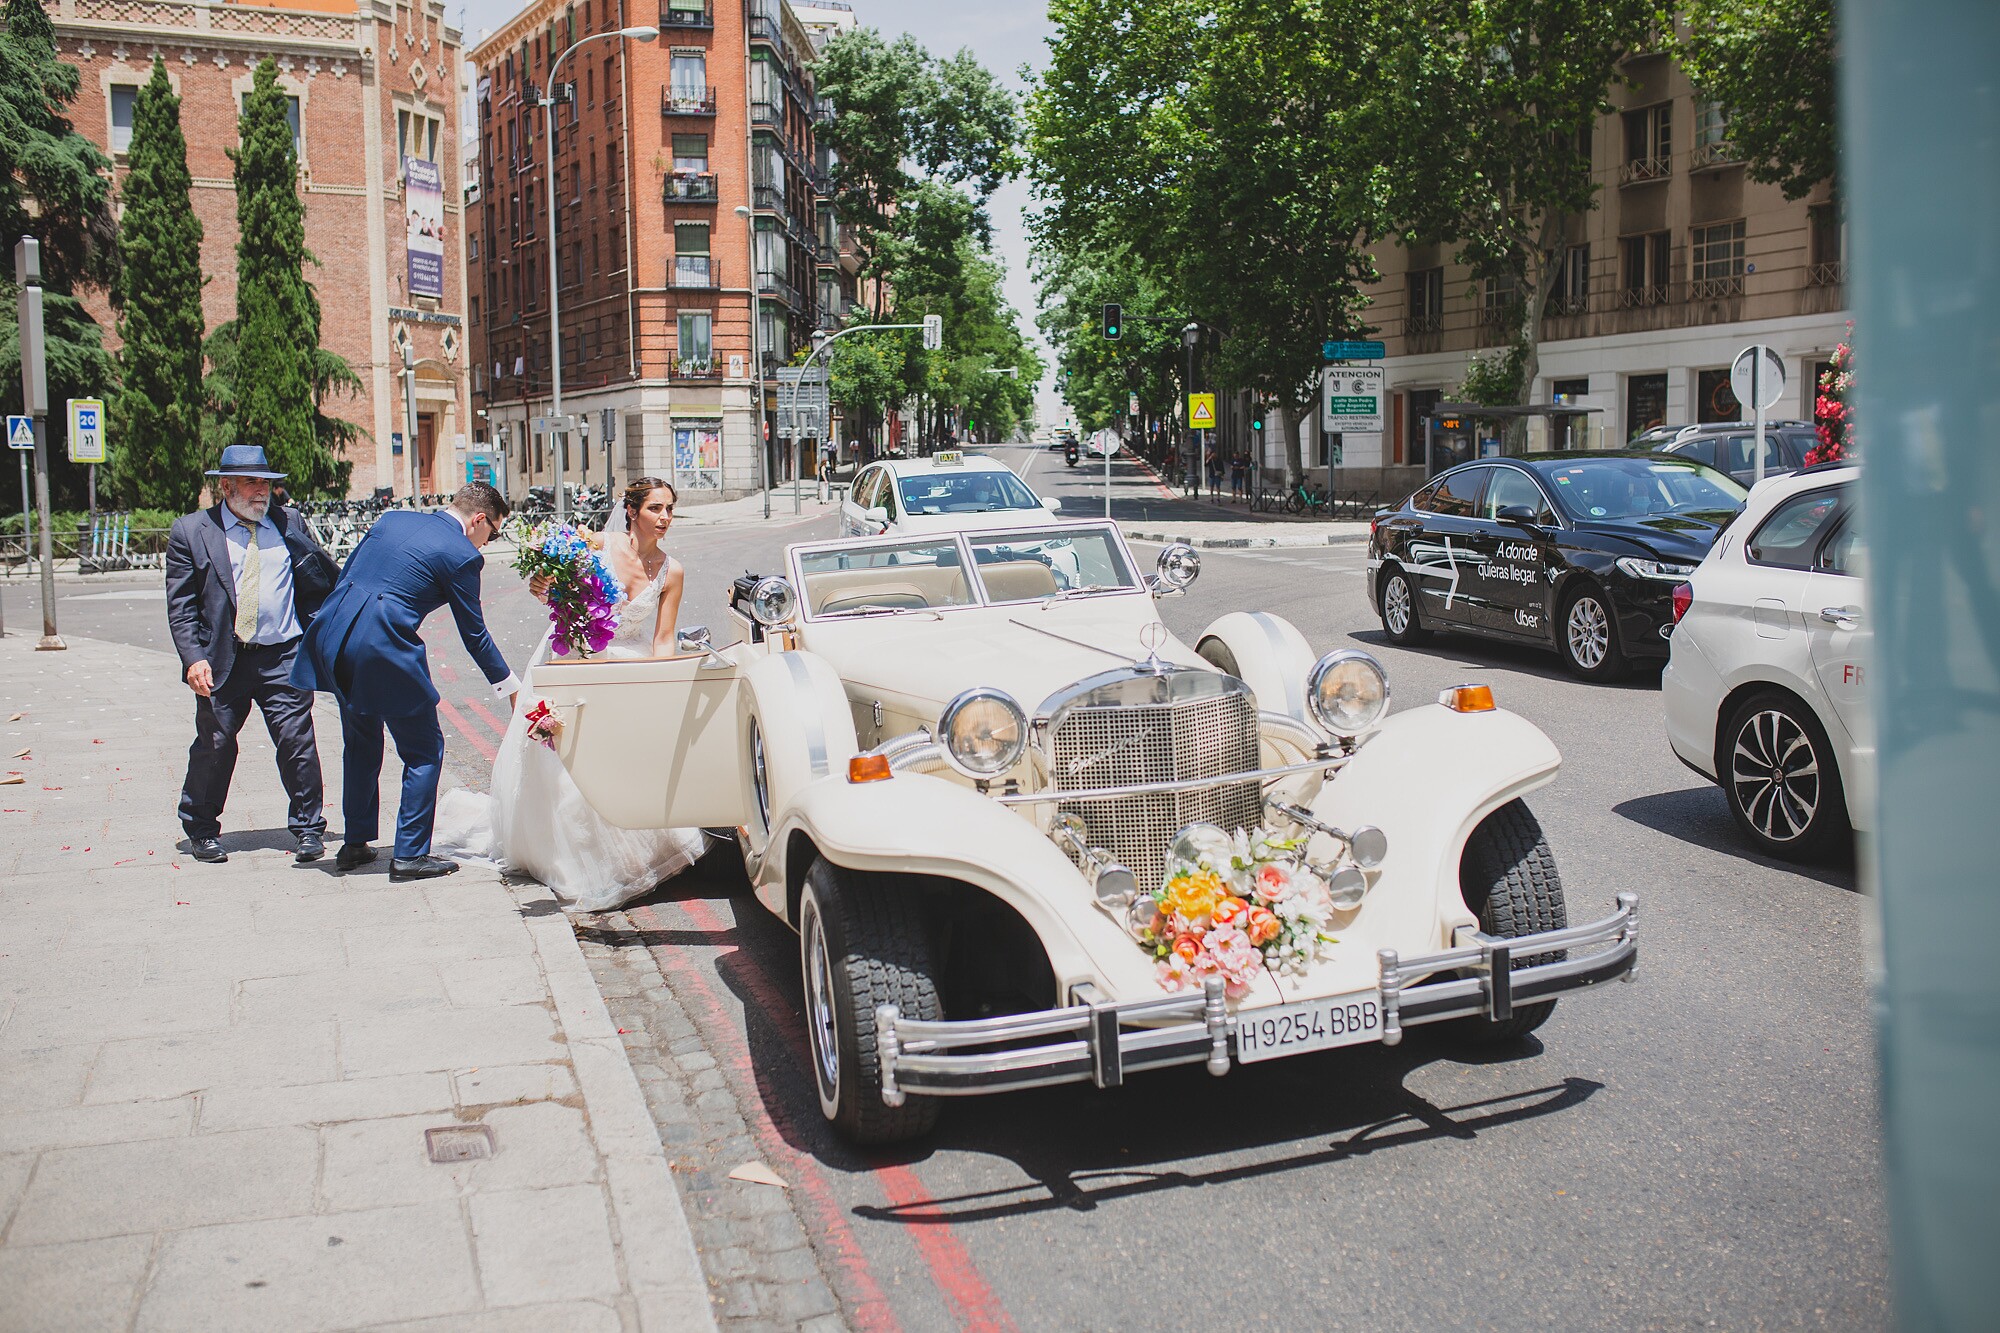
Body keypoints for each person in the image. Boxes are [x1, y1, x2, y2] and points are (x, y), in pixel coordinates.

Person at [444, 478, 705, 912]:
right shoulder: (593, 544)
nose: (665, 518)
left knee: (628, 761)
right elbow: (550, 586)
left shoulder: (671, 570)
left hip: (633, 665)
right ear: (632, 511)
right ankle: (574, 856)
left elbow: (662, 638)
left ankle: (630, 852)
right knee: (569, 760)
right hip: (579, 654)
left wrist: (664, 685)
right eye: (656, 508)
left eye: (670, 509)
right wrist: (544, 583)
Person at [292, 482, 519, 882]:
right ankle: (410, 855)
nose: (488, 542)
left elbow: (347, 573)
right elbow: (475, 635)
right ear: (478, 520)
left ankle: (355, 843)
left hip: (336, 633)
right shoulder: (462, 555)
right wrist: (511, 689)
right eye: (493, 533)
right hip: (383, 645)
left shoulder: (392, 519)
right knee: (424, 750)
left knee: (361, 741)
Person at [165, 445, 340, 865]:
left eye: (266, 482)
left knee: (297, 740)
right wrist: (193, 658)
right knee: (216, 743)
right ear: (225, 486)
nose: (262, 490)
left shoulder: (288, 521)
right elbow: (181, 606)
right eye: (251, 482)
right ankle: (202, 828)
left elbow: (316, 577)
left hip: (283, 654)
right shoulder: (192, 532)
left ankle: (308, 828)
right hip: (223, 659)